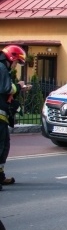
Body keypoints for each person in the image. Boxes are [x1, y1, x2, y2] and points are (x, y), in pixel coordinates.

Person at [1, 45, 29, 188]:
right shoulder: (1, 68)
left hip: (2, 115)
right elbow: (6, 88)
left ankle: (0, 176)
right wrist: (18, 86)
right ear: (12, 58)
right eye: (17, 62)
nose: (16, 66)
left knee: (4, 146)